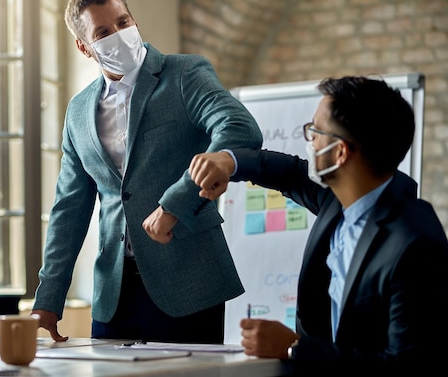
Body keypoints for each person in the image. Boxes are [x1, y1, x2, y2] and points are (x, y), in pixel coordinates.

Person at [31, 0, 263, 344]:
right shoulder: (78, 111)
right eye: (104, 32)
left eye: (123, 22)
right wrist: (48, 299)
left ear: (134, 20)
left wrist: (175, 202)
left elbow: (240, 129)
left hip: (188, 284)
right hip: (113, 295)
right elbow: (69, 208)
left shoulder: (184, 74)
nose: (119, 36)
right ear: (84, 47)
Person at [189, 75, 448, 374]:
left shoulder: (415, 244)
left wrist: (294, 348)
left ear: (339, 153)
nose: (309, 141)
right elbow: (289, 173)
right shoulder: (339, 199)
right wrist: (229, 161)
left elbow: (407, 366)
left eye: (314, 132)